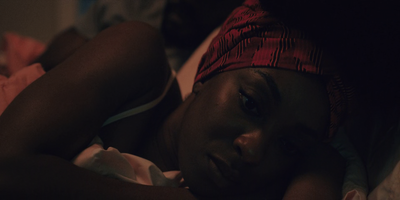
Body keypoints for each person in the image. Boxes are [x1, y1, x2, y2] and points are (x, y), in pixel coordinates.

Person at [0, 0, 348, 199]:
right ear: (208, 70)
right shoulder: (138, 56)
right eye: (250, 103)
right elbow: (6, 163)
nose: (254, 149)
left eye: (287, 145)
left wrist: (318, 163)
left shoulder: (262, 181)